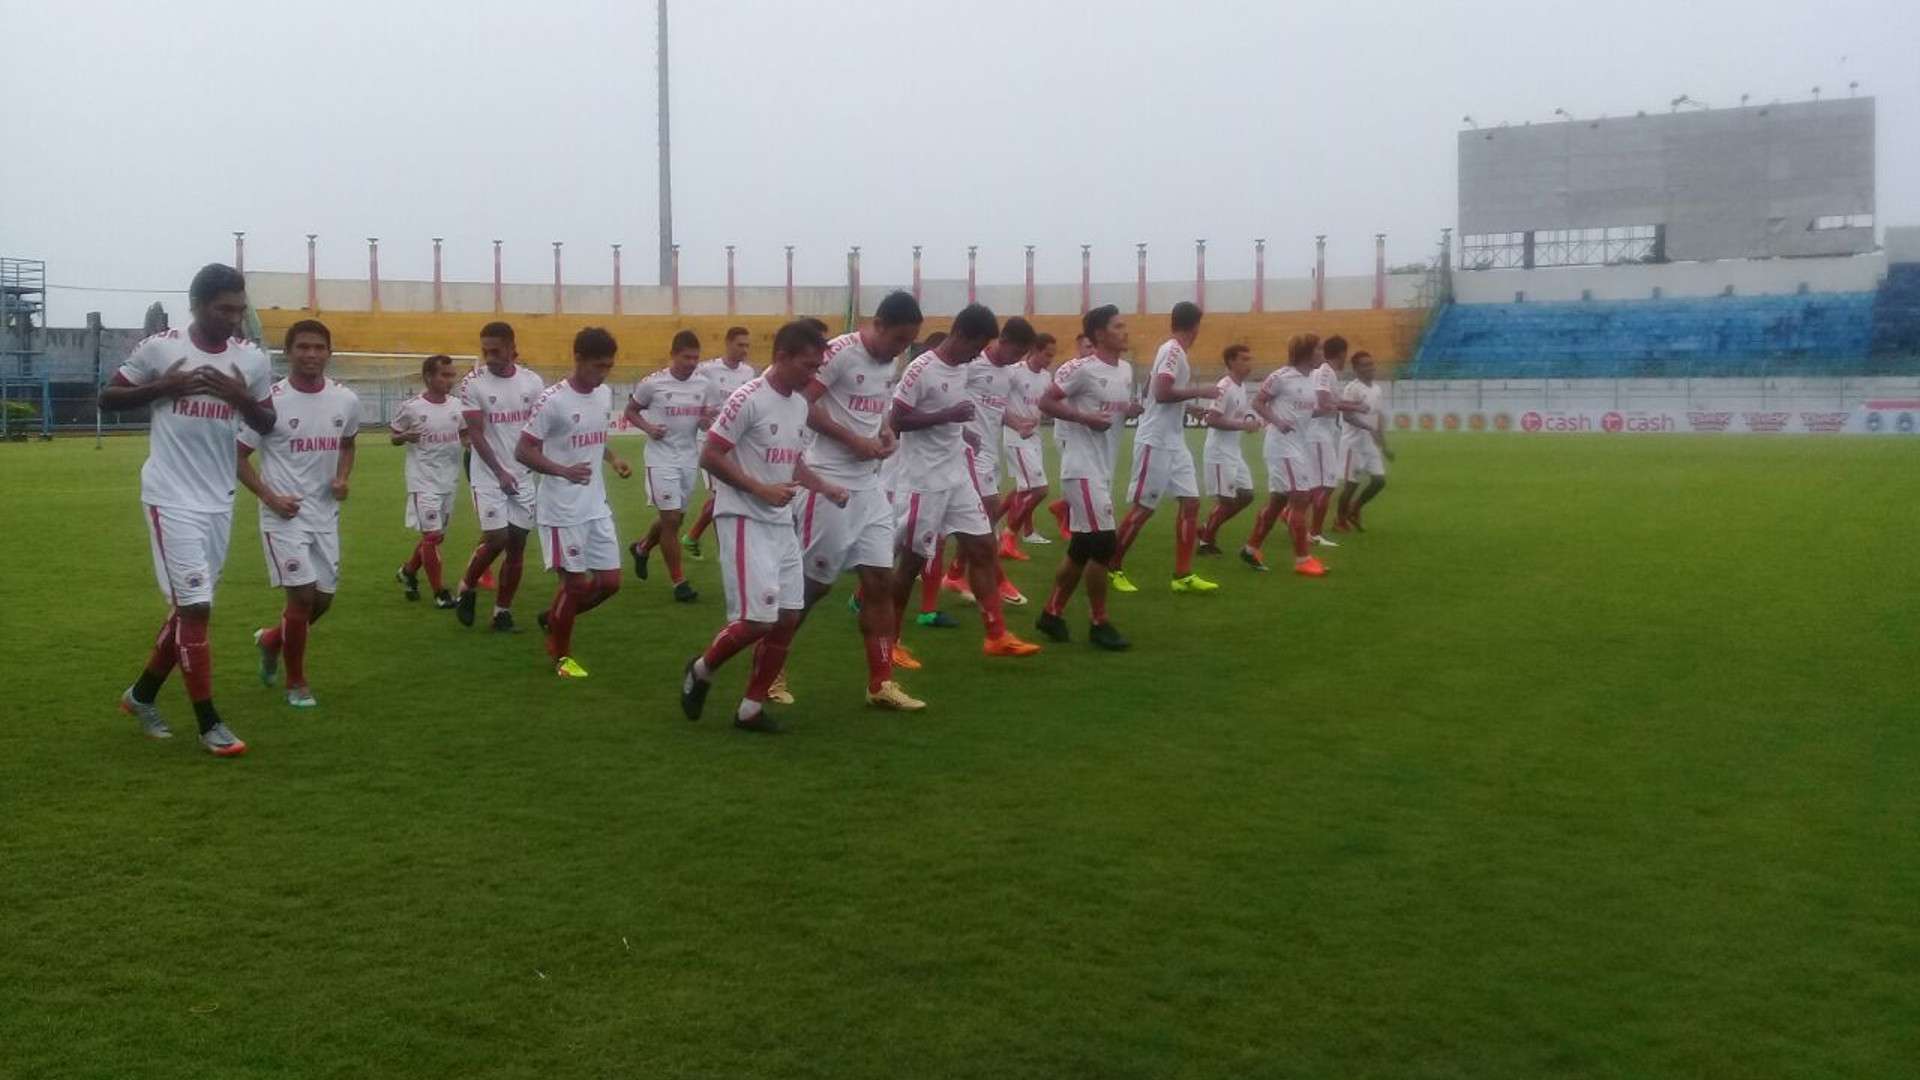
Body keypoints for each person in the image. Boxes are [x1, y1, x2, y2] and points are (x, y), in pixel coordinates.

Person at [101, 263, 275, 756]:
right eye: (224, 310)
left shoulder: (252, 361)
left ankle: (140, 696)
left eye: (240, 311)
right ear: (196, 305)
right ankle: (209, 725)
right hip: (170, 496)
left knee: (189, 609)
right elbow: (106, 397)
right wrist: (161, 388)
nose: (234, 320)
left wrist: (241, 396)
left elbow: (268, 420)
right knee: (197, 608)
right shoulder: (162, 348)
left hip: (218, 499)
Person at [681, 320, 847, 733]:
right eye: (808, 366)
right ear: (782, 357)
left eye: (818, 366)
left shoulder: (797, 404)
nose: (814, 375)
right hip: (743, 518)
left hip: (780, 522)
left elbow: (789, 459)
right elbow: (711, 455)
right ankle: (700, 670)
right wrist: (760, 489)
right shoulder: (748, 399)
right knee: (758, 621)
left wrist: (824, 486)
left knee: (789, 616)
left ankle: (750, 709)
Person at [785, 290, 925, 710]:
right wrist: (853, 440)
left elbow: (875, 408)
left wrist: (883, 431)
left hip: (870, 487)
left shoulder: (889, 361)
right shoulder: (839, 354)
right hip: (828, 483)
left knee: (880, 582)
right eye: (898, 339)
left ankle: (880, 683)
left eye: (907, 343)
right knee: (813, 587)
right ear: (877, 325)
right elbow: (802, 405)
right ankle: (770, 665)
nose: (901, 350)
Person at [889, 304, 1043, 659]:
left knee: (983, 548)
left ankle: (996, 635)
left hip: (957, 473)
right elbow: (896, 421)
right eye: (976, 346)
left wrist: (962, 433)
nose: (978, 355)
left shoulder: (962, 368)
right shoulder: (920, 369)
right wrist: (948, 416)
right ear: (962, 335)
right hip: (923, 480)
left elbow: (958, 413)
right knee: (911, 561)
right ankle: (891, 642)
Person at [240, 320, 360, 708]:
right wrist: (270, 497)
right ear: (288, 353)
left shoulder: (346, 400)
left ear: (329, 352)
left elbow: (348, 443)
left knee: (323, 601)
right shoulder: (268, 402)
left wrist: (342, 477)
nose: (311, 354)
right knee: (302, 598)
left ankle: (273, 640)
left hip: (325, 515)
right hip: (283, 516)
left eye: (318, 347)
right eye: (302, 347)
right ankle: (296, 683)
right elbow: (237, 457)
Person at [518, 328, 631, 678]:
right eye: (598, 366)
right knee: (575, 585)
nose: (603, 374)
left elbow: (594, 439)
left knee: (610, 582)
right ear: (578, 359)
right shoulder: (552, 401)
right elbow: (523, 450)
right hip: (562, 509)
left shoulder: (604, 395)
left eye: (609, 367)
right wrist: (561, 470)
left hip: (596, 505)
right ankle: (561, 658)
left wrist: (612, 459)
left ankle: (555, 619)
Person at [1033, 305, 1141, 650]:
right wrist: (1082, 418)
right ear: (1098, 335)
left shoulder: (1124, 370)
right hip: (1080, 468)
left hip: (1102, 467)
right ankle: (1099, 622)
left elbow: (1110, 409)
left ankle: (1051, 614)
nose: (1125, 331)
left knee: (1082, 546)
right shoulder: (1079, 368)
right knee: (1105, 544)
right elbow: (1046, 402)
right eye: (1118, 326)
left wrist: (1129, 409)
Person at [1104, 302, 1221, 594]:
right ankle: (1111, 566)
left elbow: (1159, 395)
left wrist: (1190, 406)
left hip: (1174, 440)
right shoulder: (1171, 350)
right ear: (1195, 326)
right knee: (1144, 508)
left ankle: (1182, 575)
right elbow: (1162, 391)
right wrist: (1200, 391)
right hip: (1155, 440)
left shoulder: (1175, 352)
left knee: (1191, 502)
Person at [939, 315, 1038, 606]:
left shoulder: (1007, 373)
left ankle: (955, 573)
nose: (1018, 359)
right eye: (1017, 353)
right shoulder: (971, 364)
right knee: (988, 513)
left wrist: (1017, 422)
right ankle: (997, 580)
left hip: (989, 454)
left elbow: (996, 408)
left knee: (973, 521)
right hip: (966, 452)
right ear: (1003, 341)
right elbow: (948, 394)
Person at [454, 322, 545, 631]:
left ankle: (502, 612)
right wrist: (499, 472)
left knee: (517, 545)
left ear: (511, 348)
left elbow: (539, 430)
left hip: (523, 474)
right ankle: (467, 585)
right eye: (485, 351)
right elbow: (476, 435)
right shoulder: (472, 384)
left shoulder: (532, 383)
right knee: (497, 539)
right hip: (488, 474)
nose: (490, 357)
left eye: (496, 351)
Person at [625, 329, 710, 602]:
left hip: (688, 457)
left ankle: (642, 547)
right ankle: (679, 582)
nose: (691, 362)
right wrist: (649, 427)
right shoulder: (653, 383)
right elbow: (630, 411)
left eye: (695, 358)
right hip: (660, 458)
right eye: (686, 357)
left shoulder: (702, 385)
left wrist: (705, 421)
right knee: (672, 518)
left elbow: (703, 418)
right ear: (673, 354)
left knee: (675, 518)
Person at [1242, 333, 1329, 577]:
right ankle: (1303, 559)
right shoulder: (1281, 377)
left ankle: (1250, 549)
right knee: (1301, 498)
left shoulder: (1311, 379)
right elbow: (1257, 403)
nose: (1322, 354)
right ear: (1307, 352)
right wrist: (1277, 421)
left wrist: (1325, 411)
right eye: (1319, 349)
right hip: (1282, 446)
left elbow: (1303, 412)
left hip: (1297, 445)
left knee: (1278, 502)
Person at [391, 354, 466, 608]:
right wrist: (405, 436)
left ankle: (409, 572)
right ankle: (440, 593)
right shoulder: (411, 407)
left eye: (451, 375)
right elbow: (394, 435)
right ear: (428, 377)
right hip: (422, 481)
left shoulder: (458, 405)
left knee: (434, 539)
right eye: (444, 375)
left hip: (449, 480)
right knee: (432, 536)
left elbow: (466, 435)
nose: (449, 380)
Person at [681, 326, 757, 560]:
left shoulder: (749, 372)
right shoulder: (706, 370)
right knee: (722, 494)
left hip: (738, 443)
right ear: (727, 343)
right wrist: (699, 416)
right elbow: (690, 395)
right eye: (740, 345)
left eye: (747, 345)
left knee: (727, 493)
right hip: (711, 442)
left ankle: (693, 537)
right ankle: (724, 548)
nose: (744, 350)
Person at [1196, 344, 1262, 554]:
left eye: (1249, 359)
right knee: (1227, 499)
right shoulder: (1225, 386)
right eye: (1243, 359)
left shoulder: (1241, 387)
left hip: (1233, 451)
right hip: (1219, 452)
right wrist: (1244, 425)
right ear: (1231, 362)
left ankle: (1206, 529)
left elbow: (1221, 415)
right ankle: (1206, 542)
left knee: (1247, 495)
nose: (1248, 363)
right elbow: (1213, 420)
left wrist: (1250, 424)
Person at [998, 331, 1056, 557]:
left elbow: (1046, 405)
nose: (1049, 360)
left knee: (1023, 489)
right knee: (1039, 489)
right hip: (1016, 438)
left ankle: (989, 523)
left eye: (1052, 356)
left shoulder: (1045, 377)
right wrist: (1015, 422)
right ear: (1034, 350)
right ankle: (1008, 536)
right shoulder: (1014, 373)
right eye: (1046, 355)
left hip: (1034, 438)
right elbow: (997, 400)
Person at [1044, 332, 1096, 540]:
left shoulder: (1095, 370)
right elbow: (1055, 401)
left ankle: (1063, 509)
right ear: (1079, 349)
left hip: (1086, 434)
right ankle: (1072, 525)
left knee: (1087, 479)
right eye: (1087, 347)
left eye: (1094, 347)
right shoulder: (1069, 369)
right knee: (1077, 479)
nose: (1091, 351)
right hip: (1068, 433)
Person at [1335, 351, 1391, 531]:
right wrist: (1369, 428)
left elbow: (1378, 416)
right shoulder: (1353, 388)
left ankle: (1355, 508)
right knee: (1351, 484)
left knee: (1379, 481)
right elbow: (1348, 416)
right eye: (1365, 365)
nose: (1370, 367)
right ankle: (1340, 520)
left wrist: (1385, 445)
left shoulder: (1376, 389)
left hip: (1369, 443)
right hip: (1353, 443)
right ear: (1356, 368)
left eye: (1371, 363)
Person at [1306, 334, 1350, 546]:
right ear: (1342, 353)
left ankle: (1291, 516)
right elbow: (1323, 402)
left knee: (1317, 484)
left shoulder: (1324, 372)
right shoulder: (1325, 371)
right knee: (1326, 484)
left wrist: (1343, 405)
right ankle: (1314, 533)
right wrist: (1350, 406)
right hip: (1318, 434)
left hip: (1323, 432)